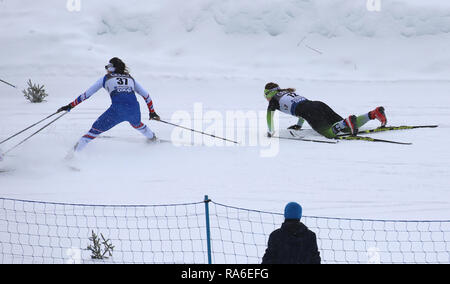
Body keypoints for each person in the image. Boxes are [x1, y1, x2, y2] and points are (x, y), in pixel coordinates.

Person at [57, 57, 160, 152]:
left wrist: (70, 105)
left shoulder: (106, 78)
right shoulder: (130, 78)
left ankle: (71, 155)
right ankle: (152, 138)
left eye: (107, 67)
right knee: (137, 124)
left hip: (117, 110)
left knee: (93, 131)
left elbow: (86, 95)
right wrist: (152, 112)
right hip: (134, 109)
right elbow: (146, 96)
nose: (106, 69)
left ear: (111, 68)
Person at [264, 82, 387, 138]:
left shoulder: (274, 100)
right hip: (318, 104)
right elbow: (299, 109)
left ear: (269, 94)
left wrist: (270, 132)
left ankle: (346, 121)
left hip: (309, 111)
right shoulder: (286, 93)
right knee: (346, 128)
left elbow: (269, 116)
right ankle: (373, 114)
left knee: (329, 133)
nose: (266, 99)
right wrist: (298, 125)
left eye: (266, 96)